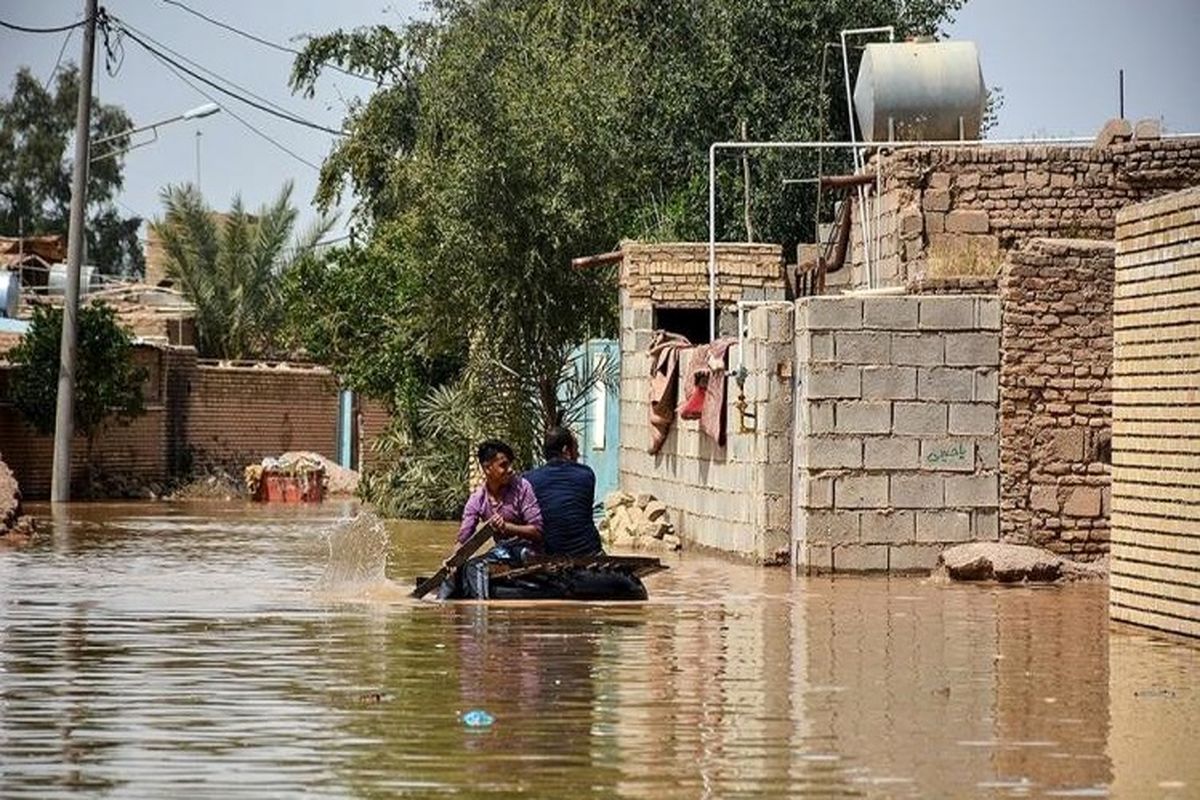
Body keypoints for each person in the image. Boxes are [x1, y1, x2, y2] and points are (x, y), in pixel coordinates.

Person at [524, 426, 604, 557]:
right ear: (566, 450)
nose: (577, 454)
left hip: (552, 555)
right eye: (576, 449)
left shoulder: (528, 480)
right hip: (589, 553)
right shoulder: (586, 474)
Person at [457, 439, 543, 548]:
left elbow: (537, 531)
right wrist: (452, 561)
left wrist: (506, 527)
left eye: (510, 464)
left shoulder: (522, 487)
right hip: (501, 553)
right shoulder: (477, 500)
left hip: (528, 551)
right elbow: (463, 539)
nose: (511, 470)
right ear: (487, 468)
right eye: (503, 465)